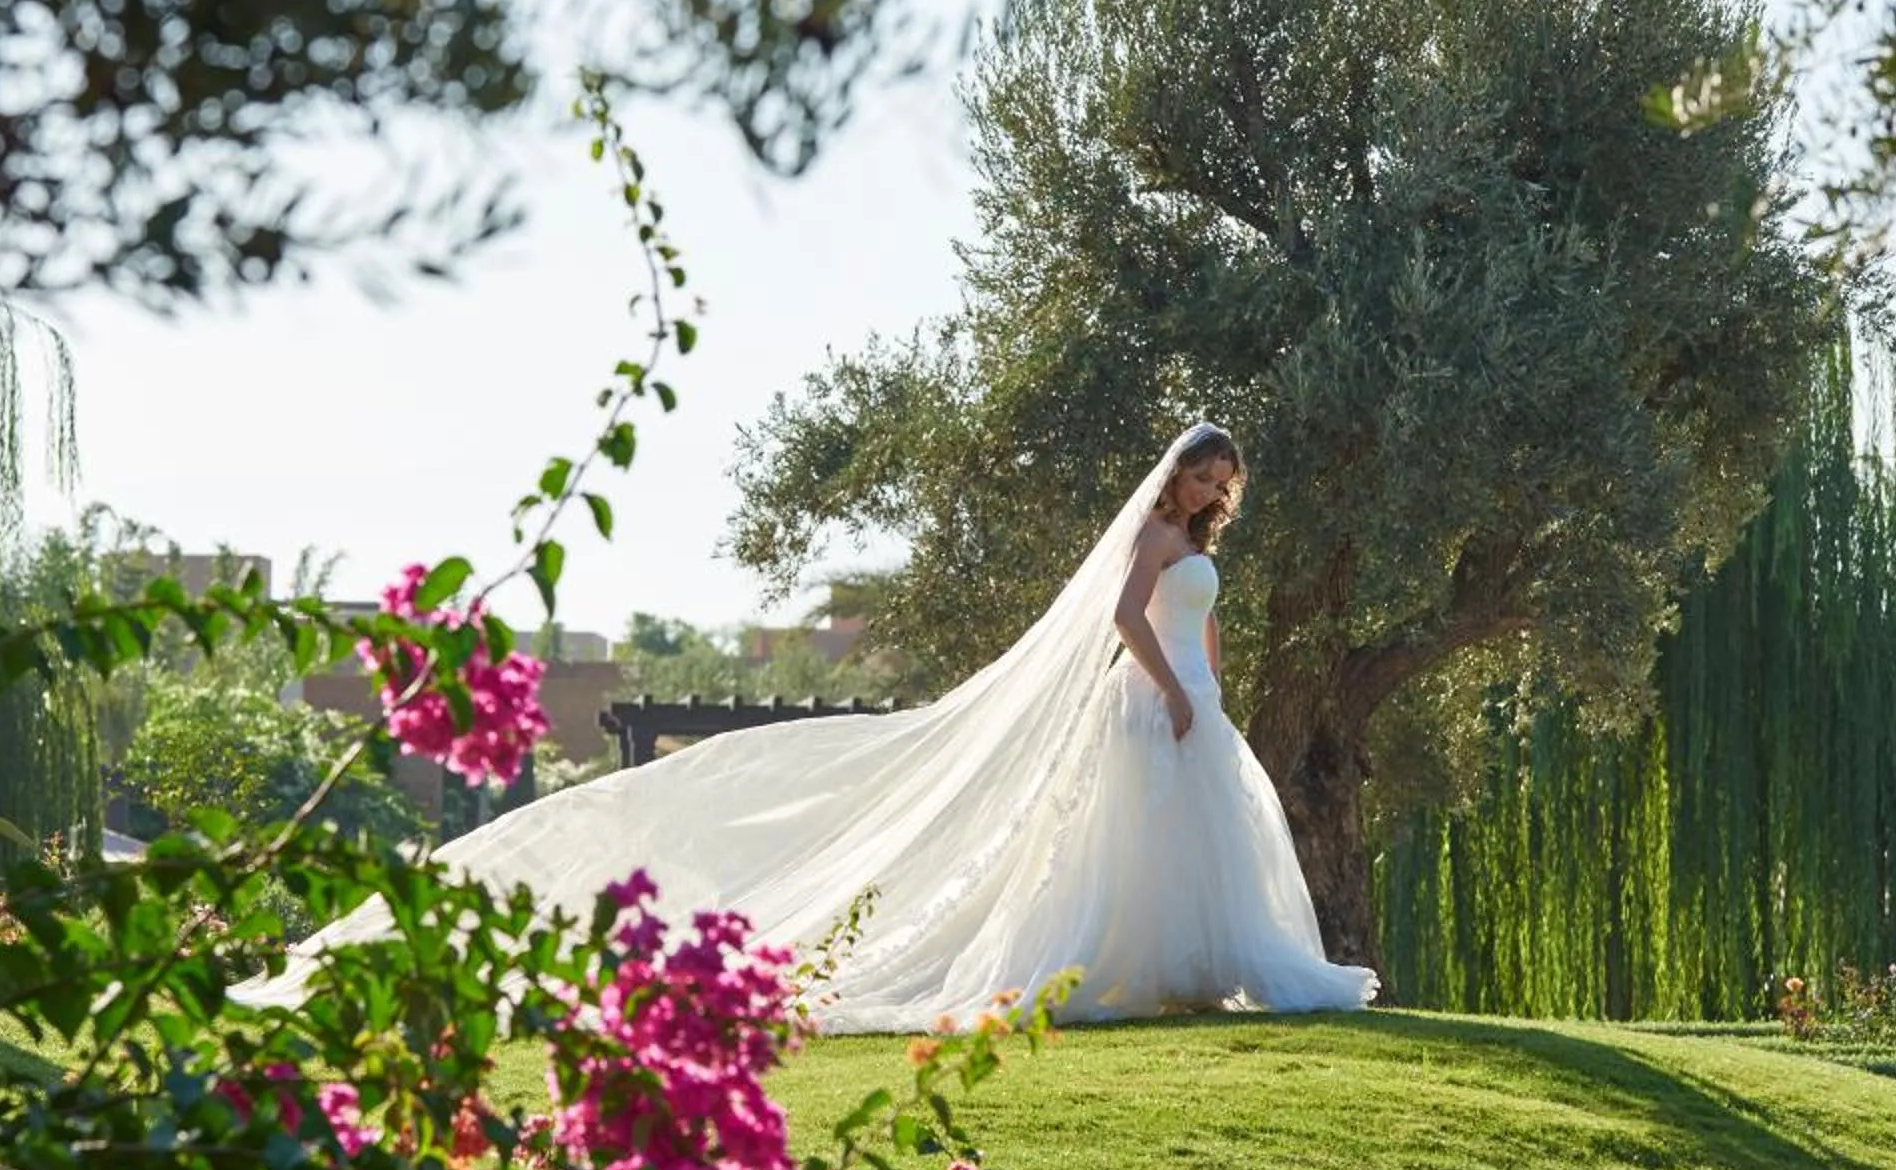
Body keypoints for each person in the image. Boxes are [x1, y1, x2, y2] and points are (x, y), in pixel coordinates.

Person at [237, 423, 1377, 1030]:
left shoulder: (1209, 556)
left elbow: (1201, 628)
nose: (1207, 488)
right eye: (1198, 473)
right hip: (1148, 697)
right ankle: (1135, 966)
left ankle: (1207, 970)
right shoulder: (1150, 544)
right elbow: (1127, 619)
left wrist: (1210, 692)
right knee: (1139, 835)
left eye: (1221, 477)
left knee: (1209, 834)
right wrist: (1171, 692)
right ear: (1173, 479)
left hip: (1195, 699)